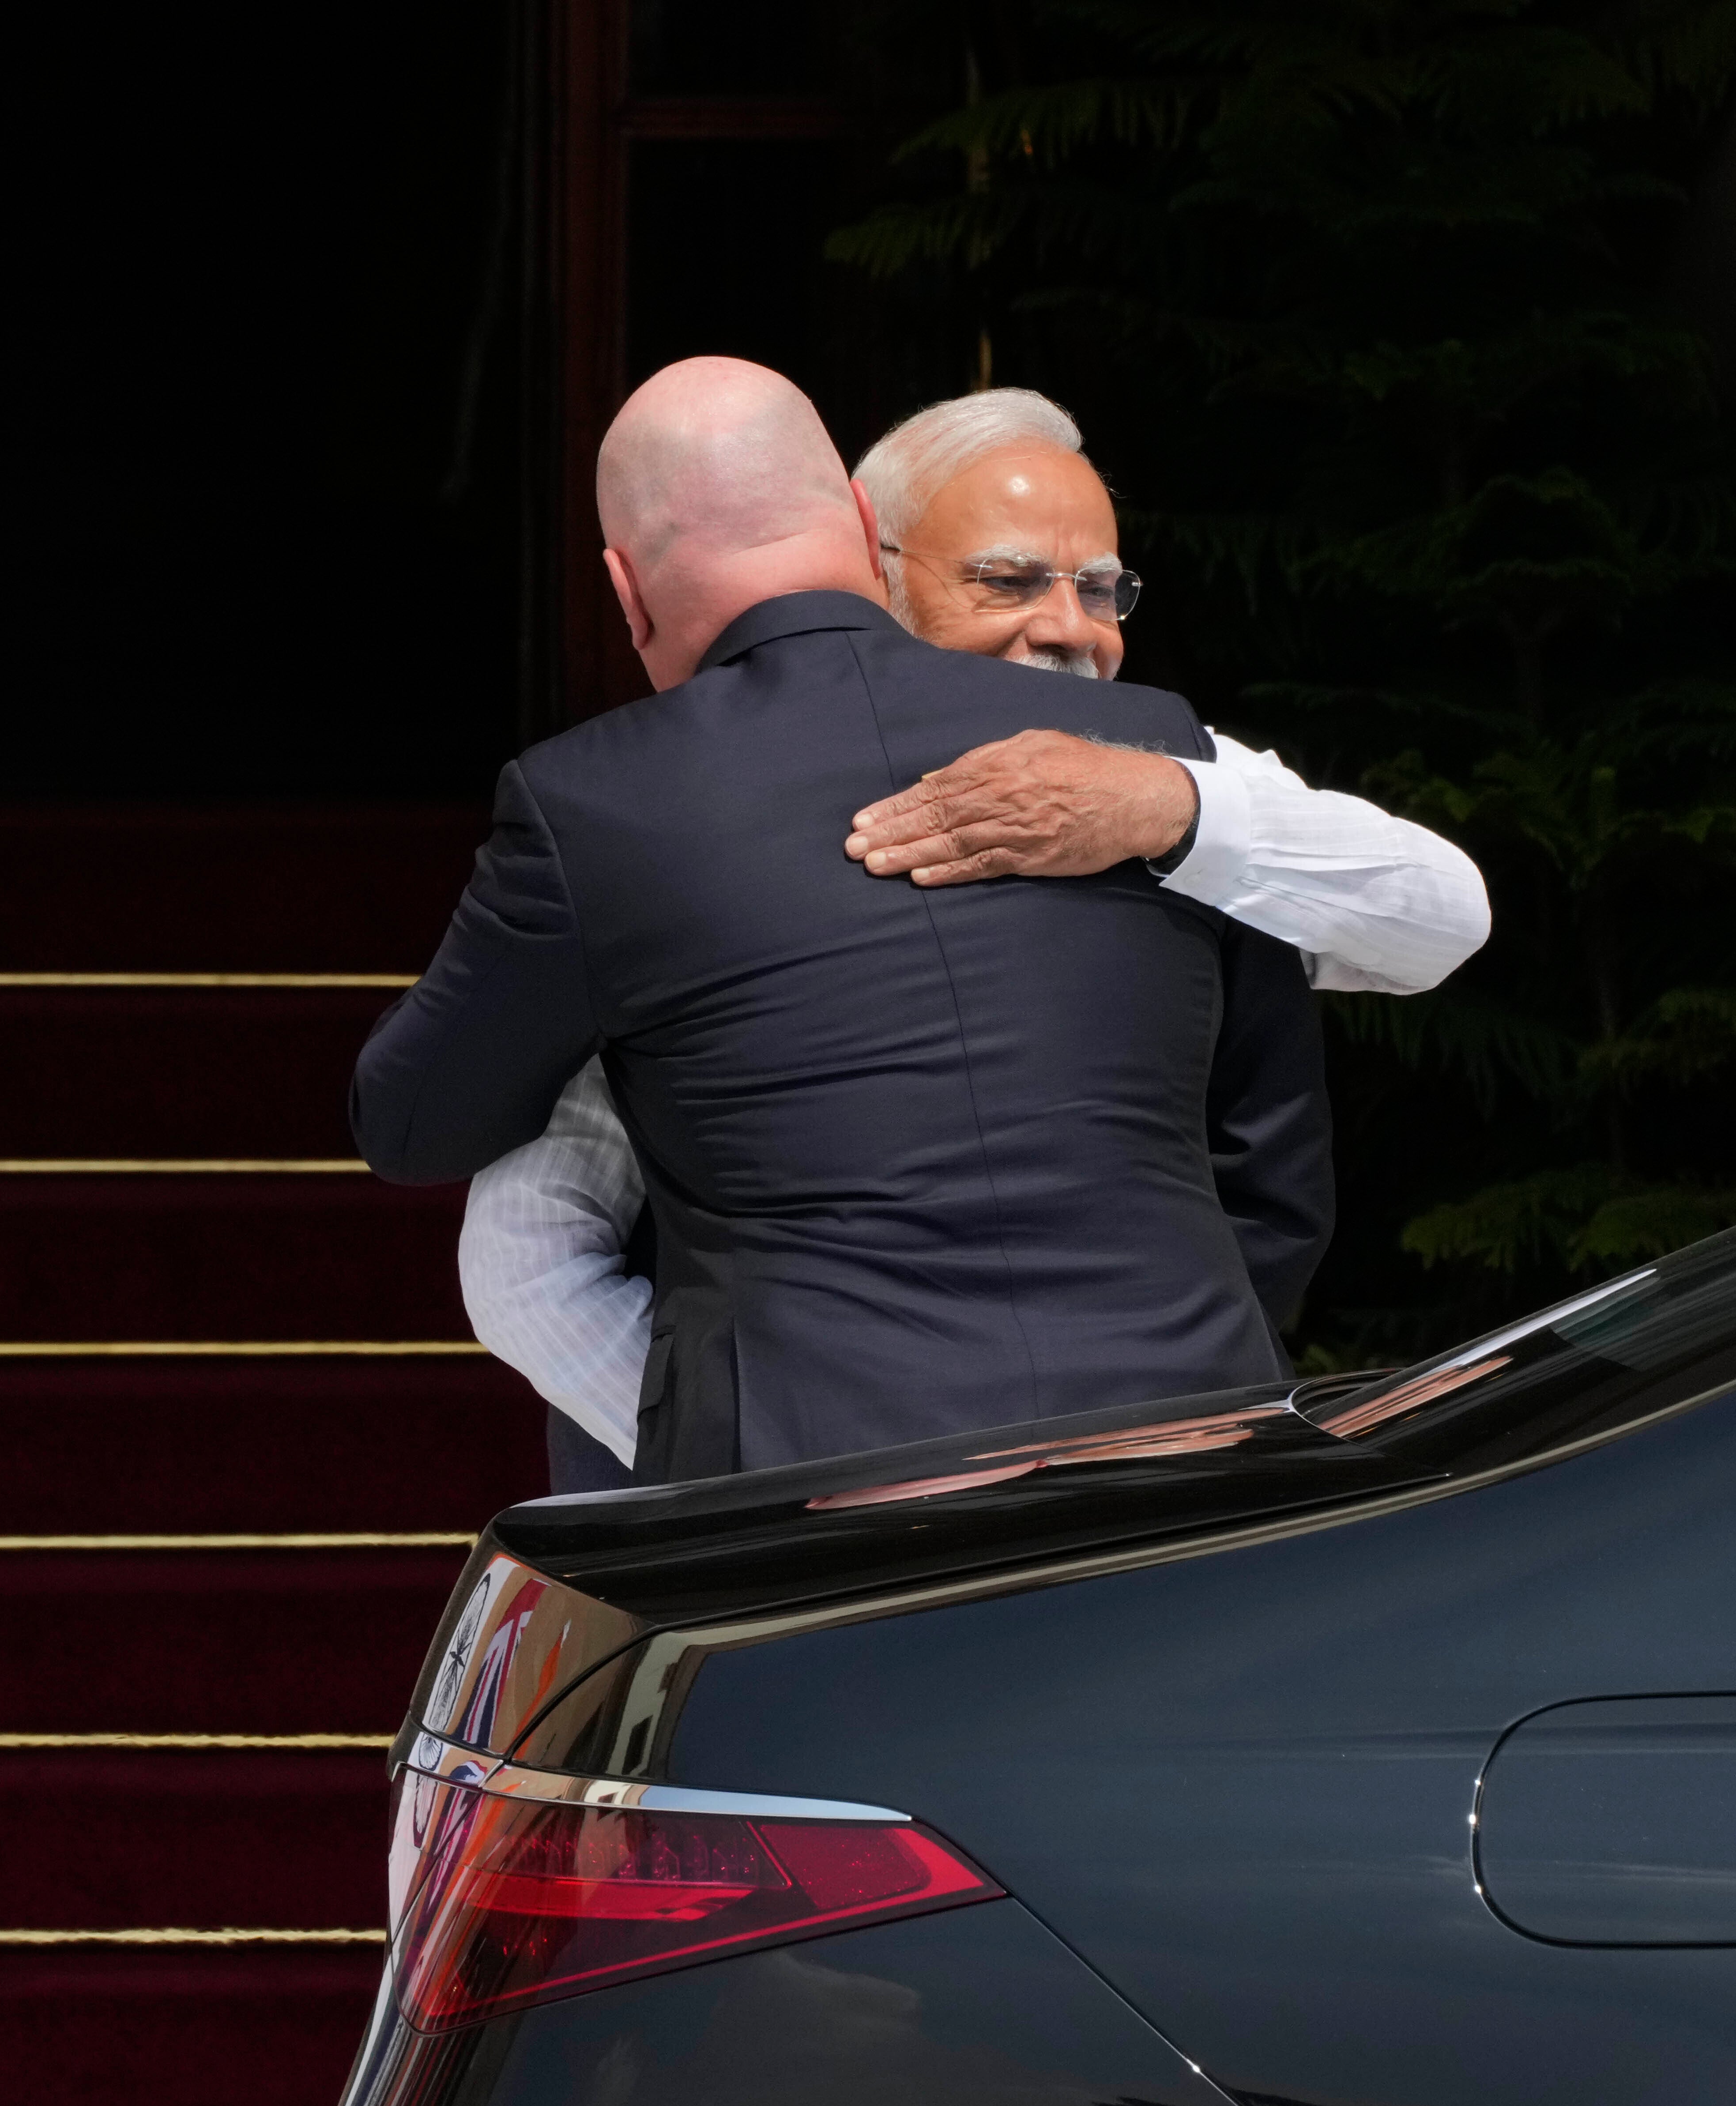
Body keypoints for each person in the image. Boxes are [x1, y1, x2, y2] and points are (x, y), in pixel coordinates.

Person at [462, 389, 1490, 1488]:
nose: (1068, 627)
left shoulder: (1160, 766)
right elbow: (531, 1258)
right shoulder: (677, 835)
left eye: (1102, 589)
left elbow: (1438, 917)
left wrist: (1167, 809)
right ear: (871, 572)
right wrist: (748, 1462)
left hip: (1162, 1451)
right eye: (1005, 581)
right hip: (790, 1516)